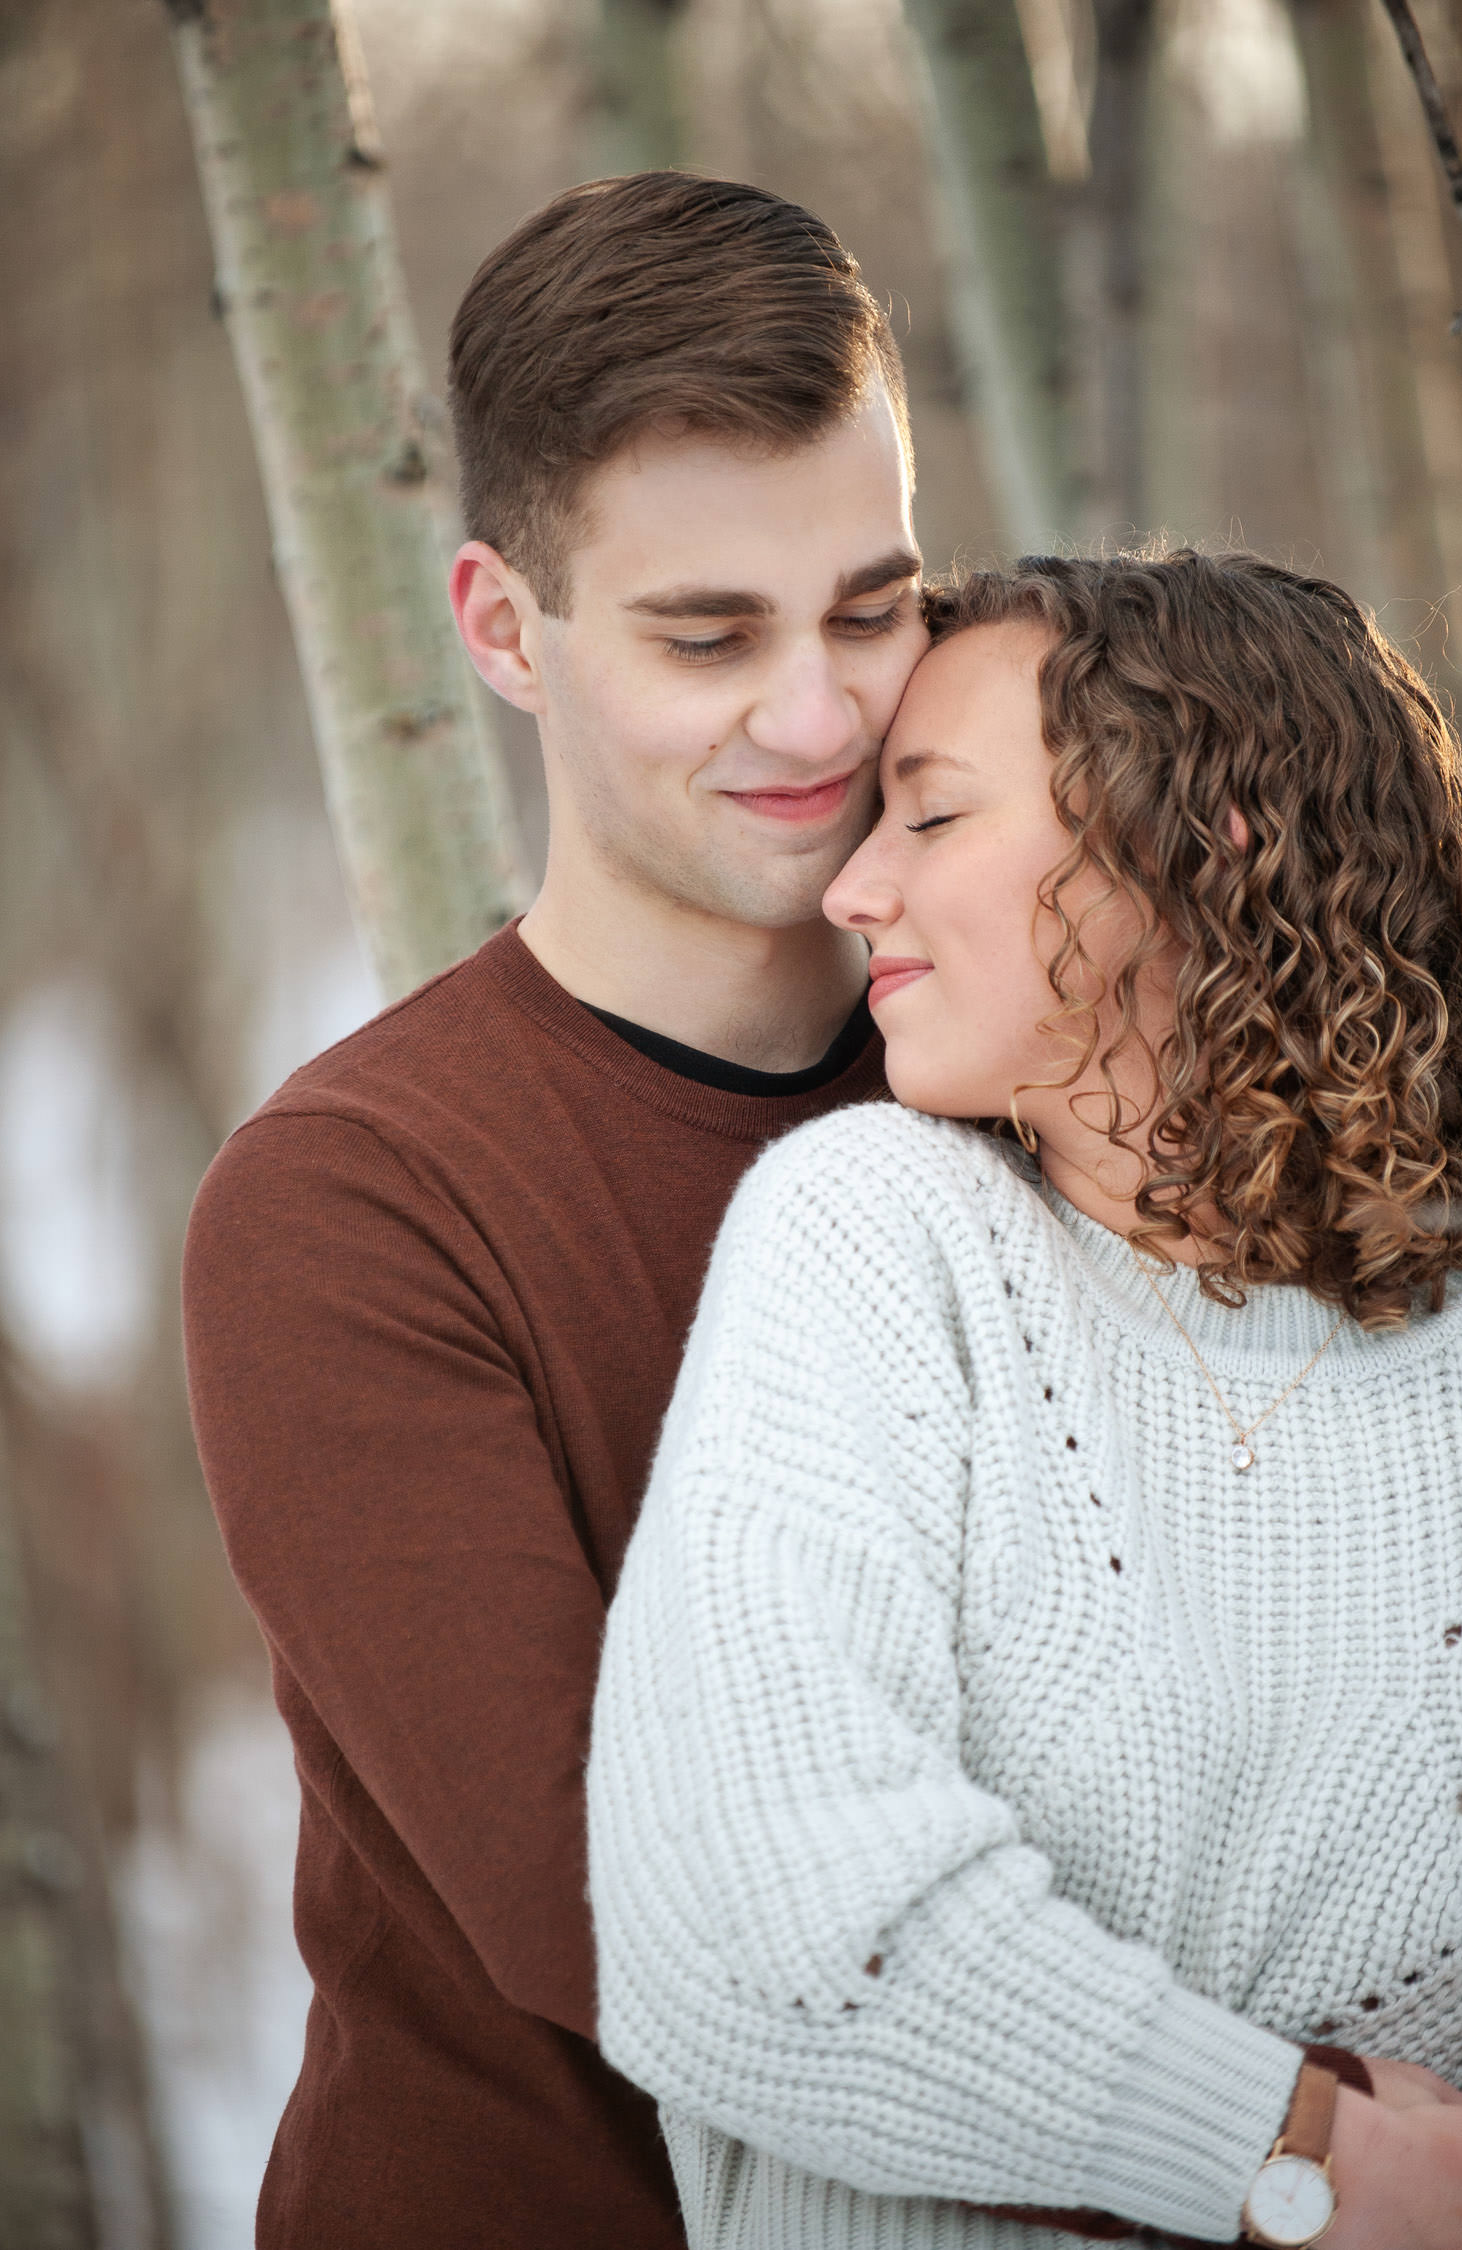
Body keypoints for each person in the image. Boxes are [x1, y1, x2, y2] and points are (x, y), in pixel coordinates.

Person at [181, 170, 929, 2250]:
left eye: (874, 609)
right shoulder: (353, 1206)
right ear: (505, 628)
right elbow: (621, 1915)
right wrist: (1277, 2136)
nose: (819, 717)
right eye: (709, 636)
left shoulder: (1058, 1106)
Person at [588, 550, 1462, 2250]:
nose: (852, 887)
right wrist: (1298, 2151)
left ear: (1203, 842)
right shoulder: (878, 1240)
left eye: (931, 820)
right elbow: (745, 1927)